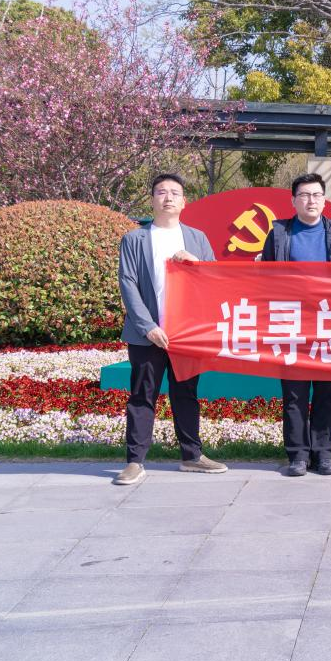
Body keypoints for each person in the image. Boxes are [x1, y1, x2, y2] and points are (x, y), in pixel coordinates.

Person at [114, 173, 227, 486]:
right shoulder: (135, 239)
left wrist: (196, 263)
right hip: (147, 335)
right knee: (142, 396)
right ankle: (134, 461)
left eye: (175, 193)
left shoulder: (196, 238)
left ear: (184, 202)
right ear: (152, 200)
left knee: (186, 394)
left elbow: (215, 280)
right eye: (161, 192)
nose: (168, 198)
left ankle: (192, 455)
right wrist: (147, 326)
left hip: (185, 334)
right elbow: (128, 283)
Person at [260, 173, 331, 477]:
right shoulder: (279, 233)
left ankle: (323, 454)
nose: (311, 201)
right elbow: (263, 278)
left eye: (316, 195)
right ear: (293, 200)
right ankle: (298, 456)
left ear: (324, 200)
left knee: (328, 392)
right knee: (295, 393)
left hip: (330, 322)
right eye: (304, 195)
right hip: (292, 323)